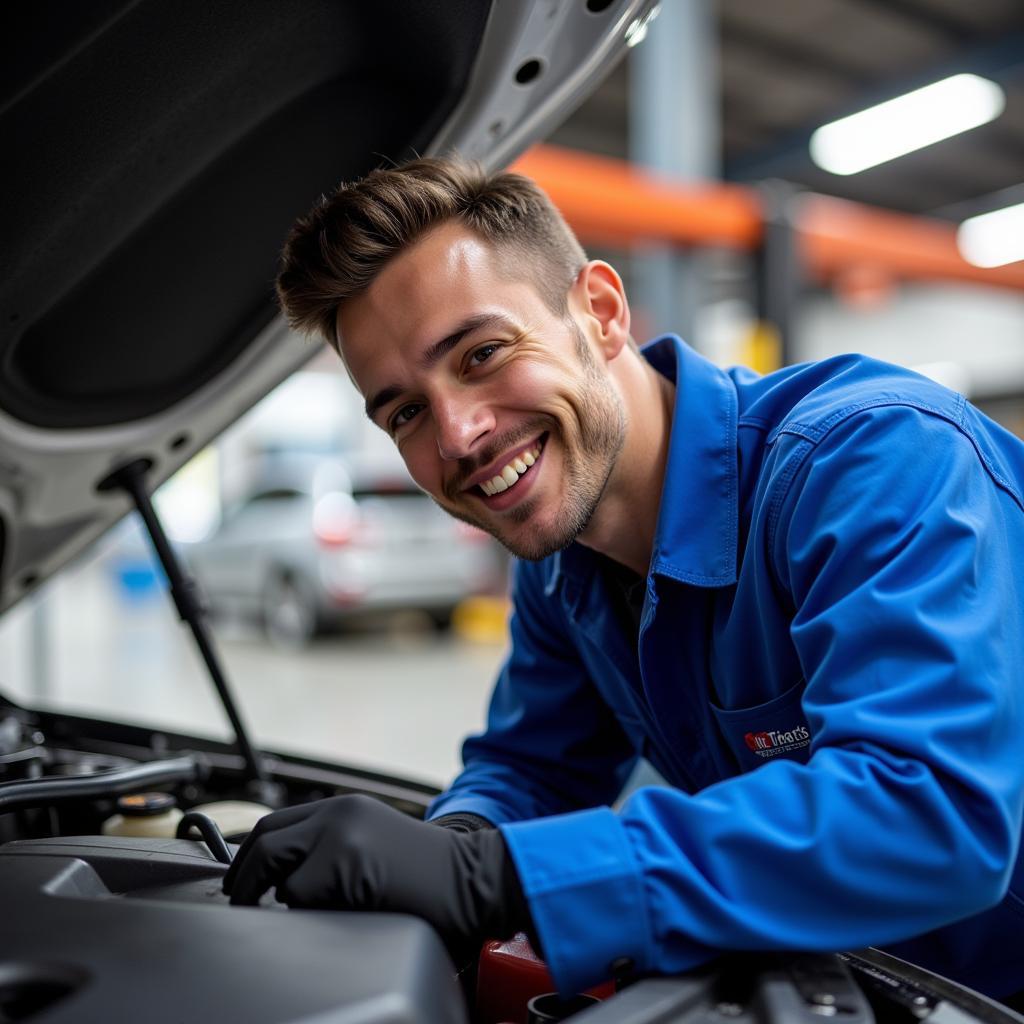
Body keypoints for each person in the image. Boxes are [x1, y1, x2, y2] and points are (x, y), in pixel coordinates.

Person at [222, 158, 1024, 1005]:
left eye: (482, 352)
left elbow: (928, 818)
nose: (457, 435)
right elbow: (534, 768)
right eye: (405, 413)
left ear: (599, 312)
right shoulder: (564, 565)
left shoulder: (873, 460)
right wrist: (457, 841)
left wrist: (493, 878)